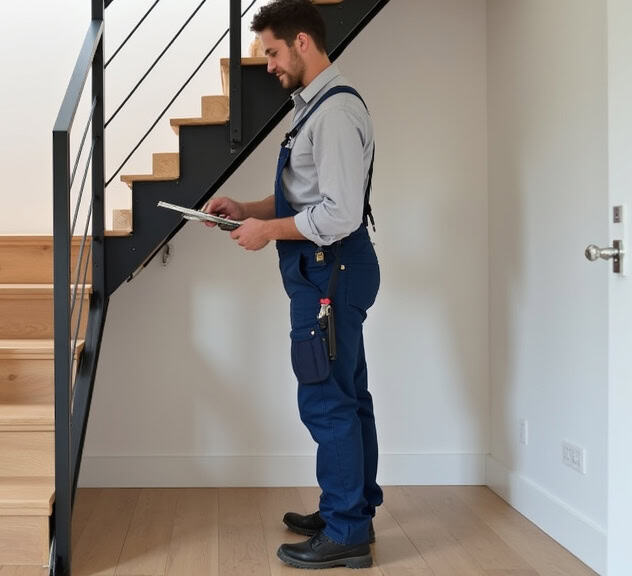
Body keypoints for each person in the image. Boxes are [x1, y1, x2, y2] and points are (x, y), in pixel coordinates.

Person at [204, 0, 382, 569]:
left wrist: (266, 232)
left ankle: (346, 530)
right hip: (329, 268)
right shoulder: (315, 107)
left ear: (303, 42)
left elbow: (339, 214)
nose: (269, 65)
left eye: (273, 52)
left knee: (327, 400)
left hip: (332, 268)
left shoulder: (334, 113)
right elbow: (305, 195)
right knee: (346, 396)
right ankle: (349, 511)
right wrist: (247, 210)